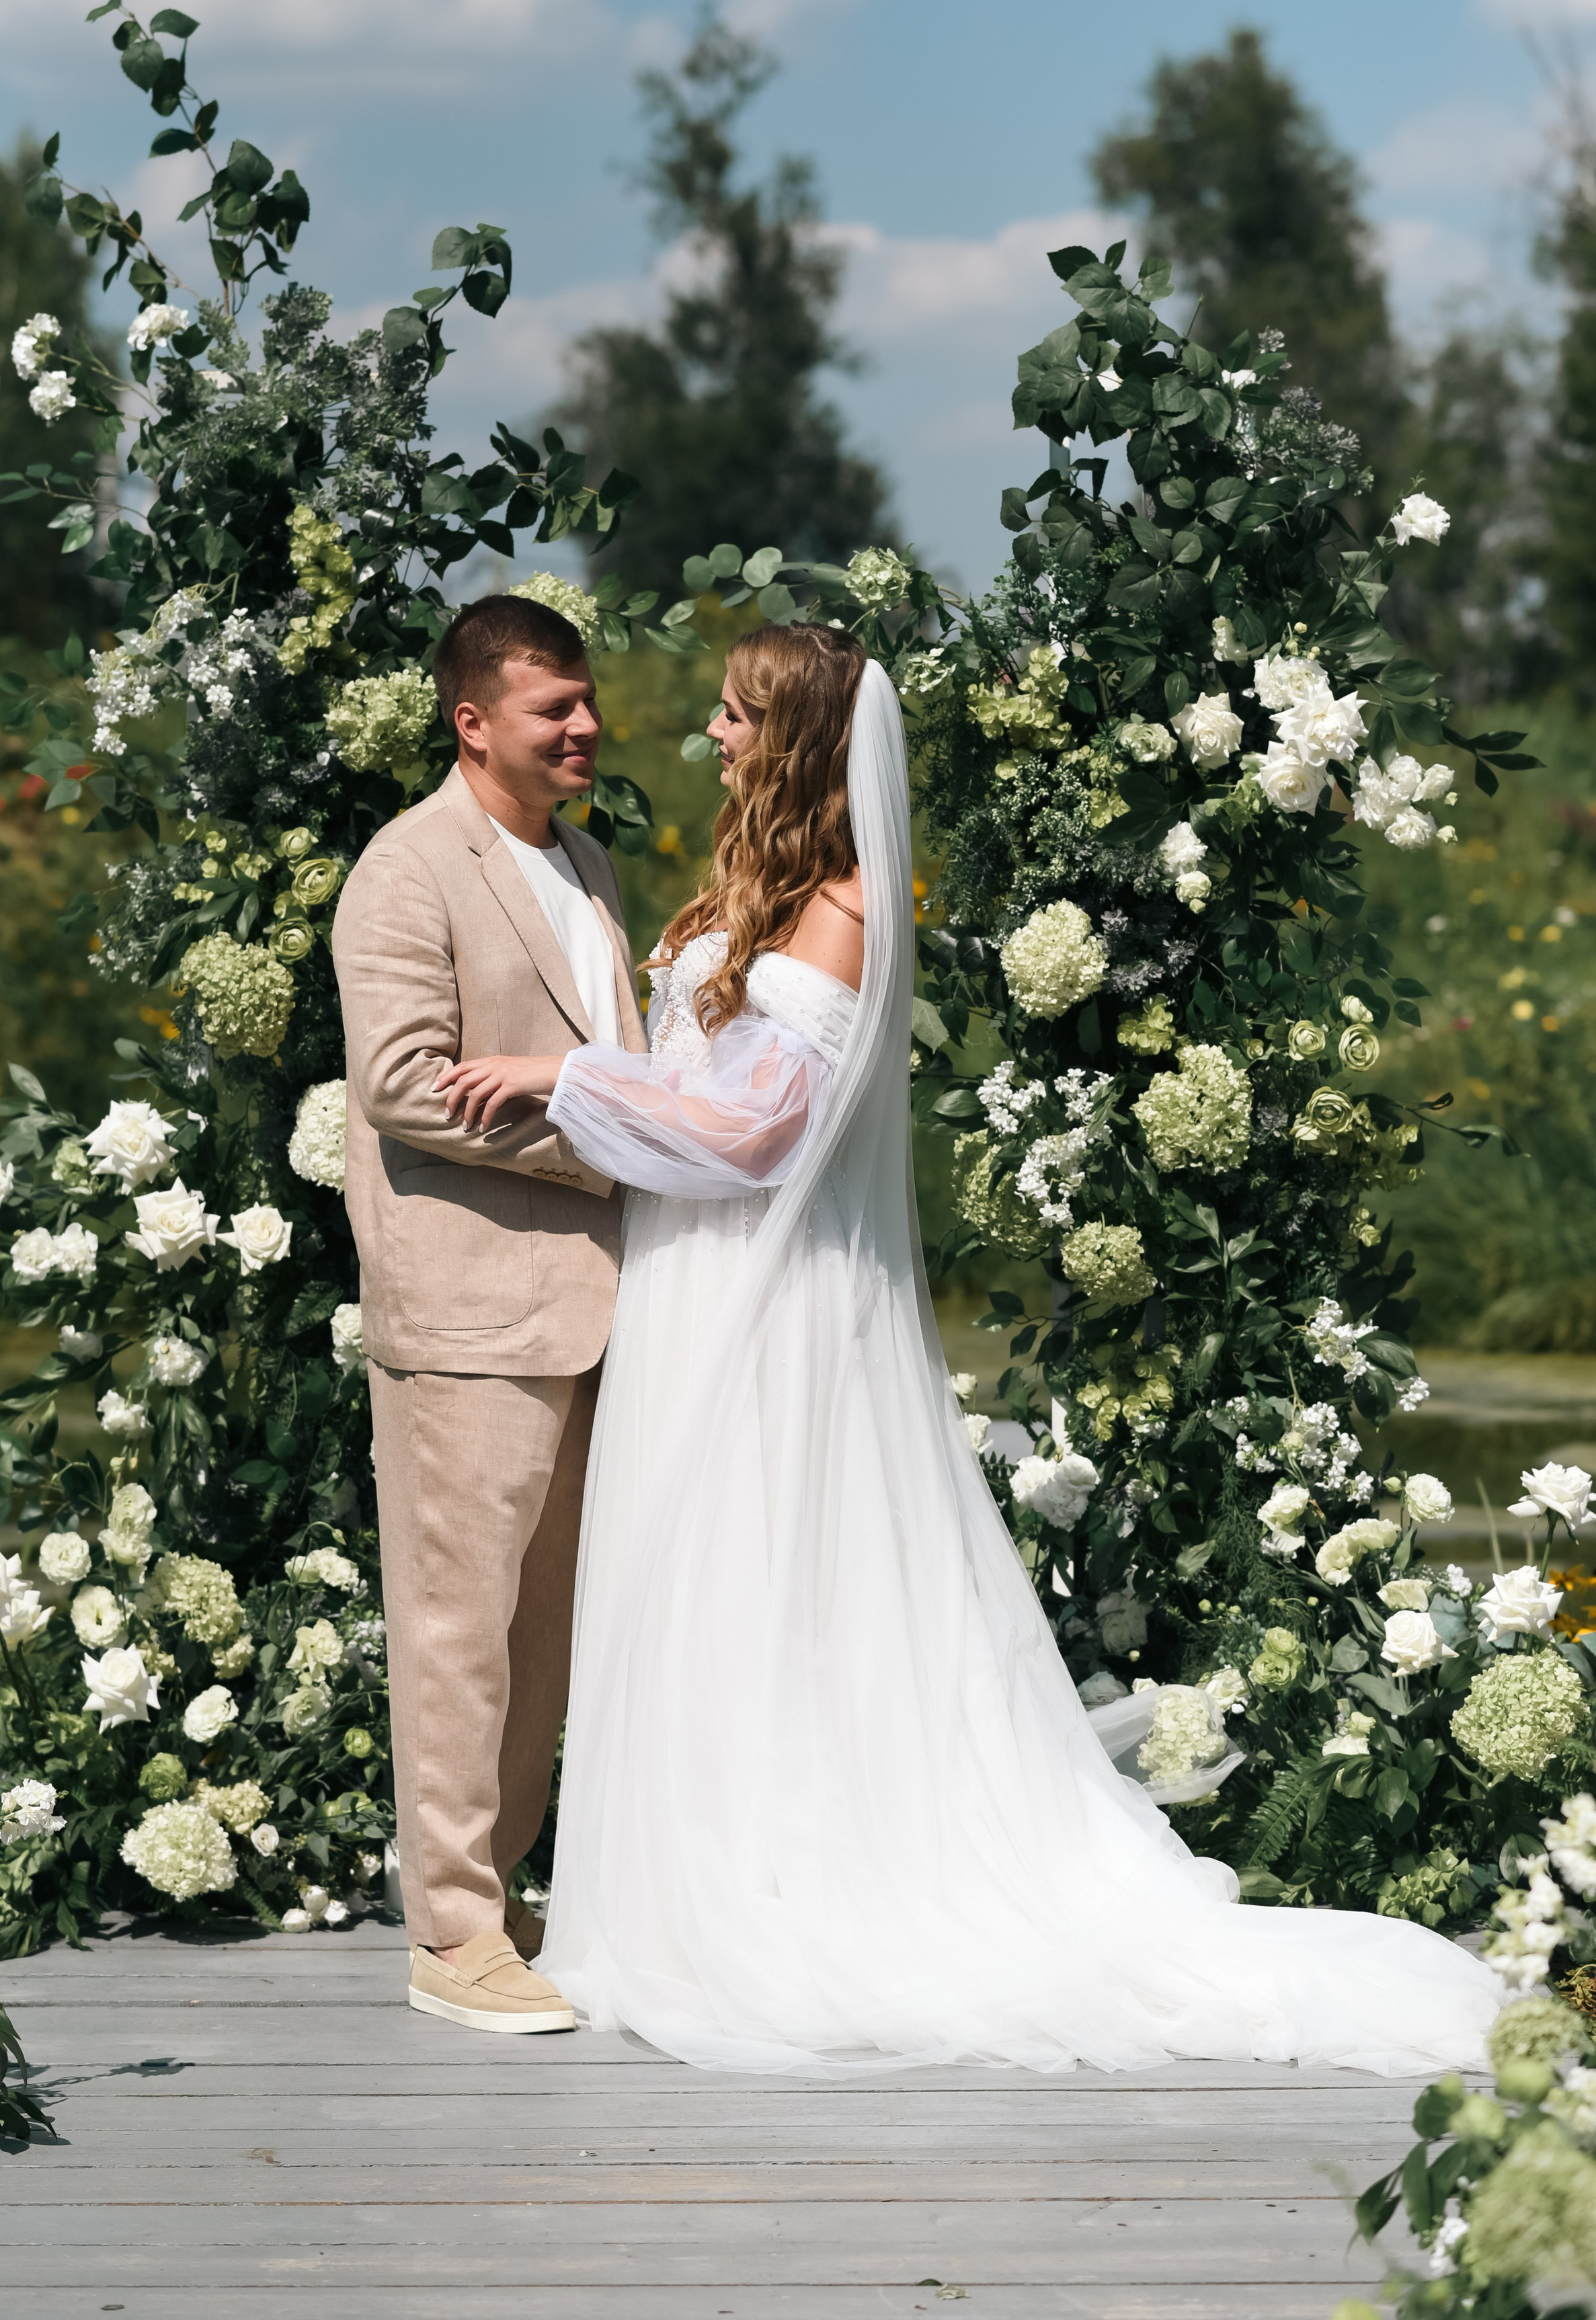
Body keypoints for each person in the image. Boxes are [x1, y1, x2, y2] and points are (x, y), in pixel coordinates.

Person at [434, 623, 1501, 2079]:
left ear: (801, 740)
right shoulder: (753, 896)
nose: (714, 736)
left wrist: (568, 1074)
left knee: (764, 1574)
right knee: (695, 1583)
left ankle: (772, 1900)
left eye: (741, 716)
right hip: (689, 1284)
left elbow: (753, 1132)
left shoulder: (845, 910)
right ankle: (688, 1879)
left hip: (771, 1296)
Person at [333, 592, 647, 2038]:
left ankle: (501, 1899)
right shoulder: (408, 871)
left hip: (595, 1310)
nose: (584, 727)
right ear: (472, 722)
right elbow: (402, 1082)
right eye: (552, 709)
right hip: (464, 1312)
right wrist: (613, 1144)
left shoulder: (583, 865)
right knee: (459, 1624)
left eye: (583, 704)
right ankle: (450, 1928)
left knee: (548, 1631)